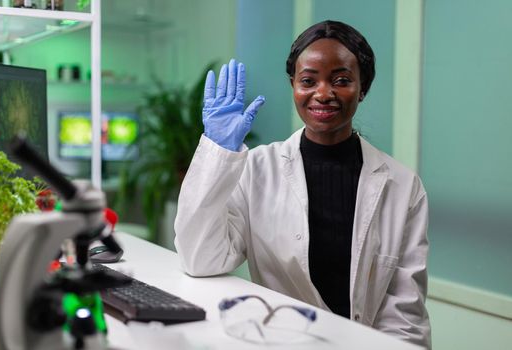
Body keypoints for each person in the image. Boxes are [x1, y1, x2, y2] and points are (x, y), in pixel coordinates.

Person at [174, 20, 431, 348]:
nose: (323, 93)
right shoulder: (258, 169)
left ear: (363, 87)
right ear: (293, 84)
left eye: (341, 80)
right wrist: (218, 151)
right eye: (308, 80)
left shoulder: (403, 186)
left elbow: (405, 314)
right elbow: (199, 260)